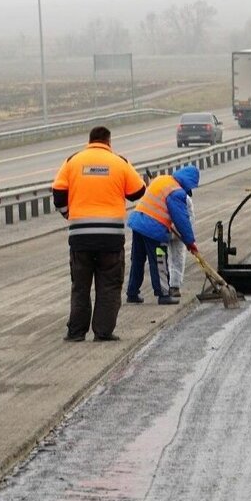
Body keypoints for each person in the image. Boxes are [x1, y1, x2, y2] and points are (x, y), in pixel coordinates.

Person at [51, 126, 146, 342]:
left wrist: (69, 215)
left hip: (80, 237)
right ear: (108, 141)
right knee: (110, 285)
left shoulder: (73, 161)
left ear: (90, 140)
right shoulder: (119, 162)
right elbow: (138, 191)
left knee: (80, 286)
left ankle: (76, 332)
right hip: (110, 238)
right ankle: (103, 332)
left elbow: (57, 192)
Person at [126, 165, 199, 305]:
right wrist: (190, 242)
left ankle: (132, 292)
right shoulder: (176, 192)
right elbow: (181, 219)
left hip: (137, 222)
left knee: (137, 260)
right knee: (159, 260)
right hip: (153, 229)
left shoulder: (162, 179)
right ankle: (164, 294)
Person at [167, 190, 195, 298]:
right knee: (176, 258)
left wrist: (190, 241)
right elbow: (190, 221)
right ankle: (173, 286)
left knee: (170, 258)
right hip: (168, 230)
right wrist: (190, 241)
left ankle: (172, 286)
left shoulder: (168, 195)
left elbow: (190, 221)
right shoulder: (186, 199)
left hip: (171, 231)